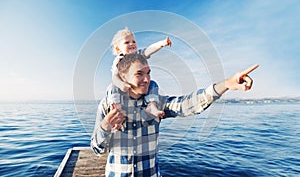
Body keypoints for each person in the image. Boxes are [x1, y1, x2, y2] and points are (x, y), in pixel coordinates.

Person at [91, 53, 259, 176]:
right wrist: (105, 126)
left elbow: (189, 103)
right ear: (123, 77)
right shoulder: (108, 105)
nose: (147, 79)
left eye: (148, 73)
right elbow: (97, 149)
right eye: (139, 74)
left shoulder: (157, 103)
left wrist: (228, 84)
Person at [107, 27, 171, 124]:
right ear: (118, 48)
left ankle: (151, 106)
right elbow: (115, 77)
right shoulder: (119, 60)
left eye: (133, 41)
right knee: (112, 87)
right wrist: (121, 84)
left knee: (152, 84)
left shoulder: (138, 55)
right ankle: (117, 109)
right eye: (127, 42)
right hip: (123, 87)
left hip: (137, 86)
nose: (131, 44)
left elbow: (149, 49)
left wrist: (162, 43)